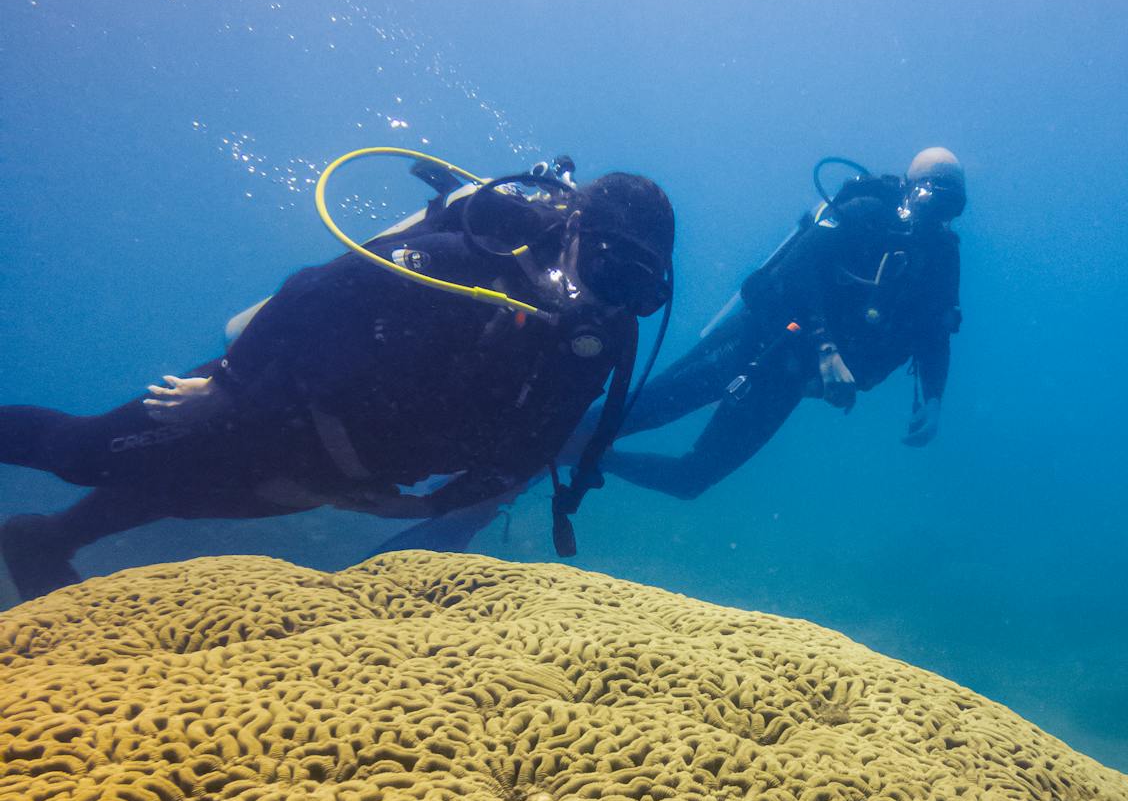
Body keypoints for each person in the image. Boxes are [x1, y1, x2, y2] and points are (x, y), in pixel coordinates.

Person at [0, 166, 675, 600]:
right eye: (613, 271)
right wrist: (228, 386)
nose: (615, 300)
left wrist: (430, 507)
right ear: (578, 233)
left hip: (344, 469)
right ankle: (46, 526)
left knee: (179, 494)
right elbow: (314, 290)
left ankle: (43, 541)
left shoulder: (602, 340)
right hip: (268, 404)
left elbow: (540, 444)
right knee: (80, 453)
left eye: (640, 290)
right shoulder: (469, 262)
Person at [602, 146, 965, 498]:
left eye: (952, 205)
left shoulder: (943, 257)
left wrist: (933, 400)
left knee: (692, 479)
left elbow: (937, 332)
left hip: (790, 378)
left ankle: (590, 459)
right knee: (624, 417)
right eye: (932, 196)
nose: (939, 215)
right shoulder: (864, 213)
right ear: (909, 187)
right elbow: (795, 271)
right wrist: (825, 347)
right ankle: (559, 449)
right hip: (757, 339)